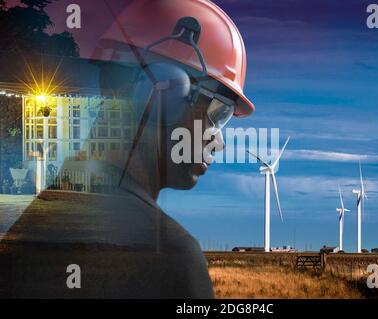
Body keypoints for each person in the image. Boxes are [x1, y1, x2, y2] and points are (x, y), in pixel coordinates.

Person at [0, 0, 254, 298]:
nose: (220, 143)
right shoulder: (171, 258)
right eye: (219, 113)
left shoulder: (23, 231)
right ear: (163, 93)